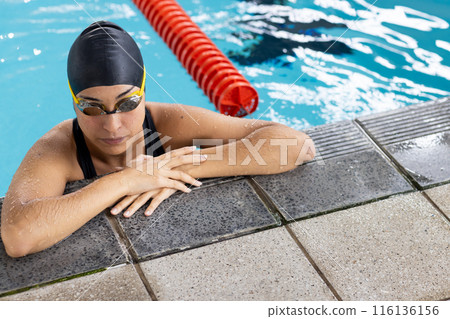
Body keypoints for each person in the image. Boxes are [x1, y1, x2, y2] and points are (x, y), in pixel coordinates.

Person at [1, 21, 315, 258]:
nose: (112, 125)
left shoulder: (169, 122)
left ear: (144, 94)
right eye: (91, 107)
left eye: (127, 104)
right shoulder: (59, 147)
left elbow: (298, 145)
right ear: (73, 103)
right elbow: (18, 236)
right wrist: (124, 181)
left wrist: (175, 168)